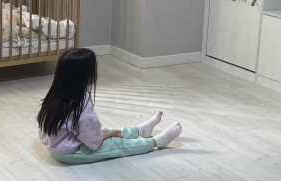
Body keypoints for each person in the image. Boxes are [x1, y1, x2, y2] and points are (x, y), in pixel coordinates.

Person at [37, 48, 182, 164]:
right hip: (70, 153)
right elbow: (94, 140)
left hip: (56, 145)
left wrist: (107, 132)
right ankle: (155, 142)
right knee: (115, 144)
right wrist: (110, 135)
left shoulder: (55, 95)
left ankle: (140, 130)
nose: (98, 70)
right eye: (96, 67)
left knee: (105, 130)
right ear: (85, 76)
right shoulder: (82, 106)